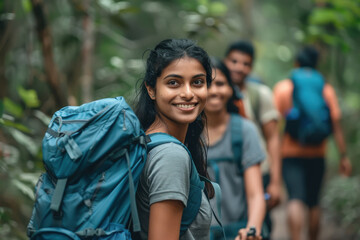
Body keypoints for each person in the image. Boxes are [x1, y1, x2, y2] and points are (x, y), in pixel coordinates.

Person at [133, 38, 214, 240]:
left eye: (197, 82)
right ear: (151, 89)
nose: (187, 93)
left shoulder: (146, 141)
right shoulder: (170, 156)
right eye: (173, 83)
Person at [273, 46, 352, 240]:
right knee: (313, 202)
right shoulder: (326, 89)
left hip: (290, 153)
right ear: (317, 64)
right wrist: (343, 156)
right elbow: (335, 126)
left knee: (295, 199)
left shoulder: (283, 88)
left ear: (296, 63)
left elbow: (274, 127)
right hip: (318, 153)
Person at [224, 40, 282, 236]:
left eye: (245, 64)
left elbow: (273, 138)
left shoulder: (260, 95)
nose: (239, 68)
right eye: (234, 61)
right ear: (225, 61)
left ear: (251, 67)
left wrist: (275, 181)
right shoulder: (213, 94)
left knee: (260, 223)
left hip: (260, 170)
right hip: (227, 174)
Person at [204, 58, 266, 240]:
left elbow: (256, 194)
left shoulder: (245, 130)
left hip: (237, 232)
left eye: (221, 84)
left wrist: (252, 230)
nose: (214, 91)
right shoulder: (185, 133)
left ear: (231, 89)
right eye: (207, 84)